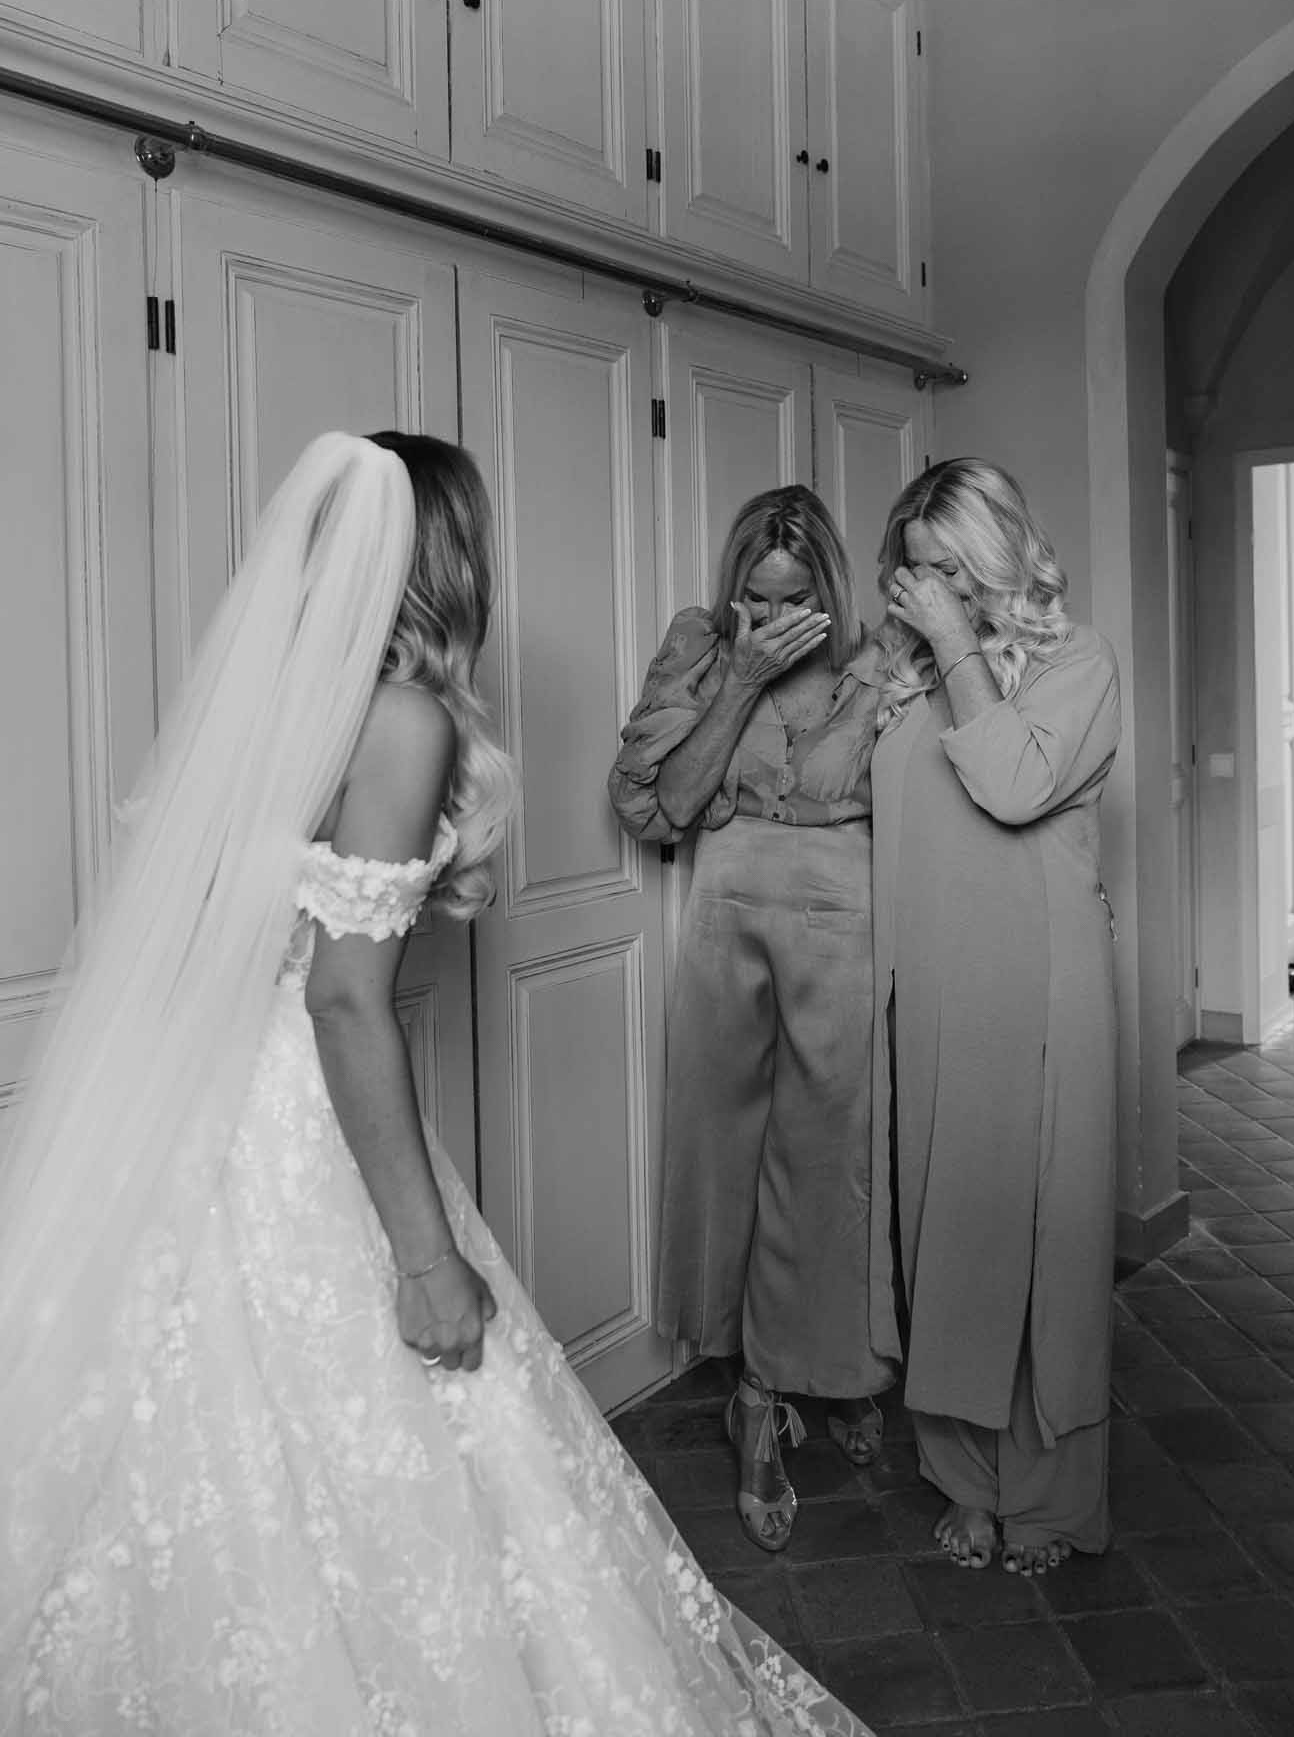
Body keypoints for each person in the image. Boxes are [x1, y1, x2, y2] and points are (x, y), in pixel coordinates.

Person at [0, 431, 877, 1736]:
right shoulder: (400, 716)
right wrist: (422, 1255)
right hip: (302, 1107)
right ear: (446, 557)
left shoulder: (282, 695)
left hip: (194, 1109)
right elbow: (345, 998)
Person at [608, 486, 899, 1556]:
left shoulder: (883, 662)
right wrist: (740, 678)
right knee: (724, 1155)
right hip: (726, 915)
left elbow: (914, 809)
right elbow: (659, 806)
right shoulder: (703, 648)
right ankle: (755, 1397)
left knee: (828, 1163)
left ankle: (822, 1365)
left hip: (846, 922)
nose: (774, 613)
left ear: (829, 587)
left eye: (796, 597)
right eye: (755, 593)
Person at [869, 458, 1120, 1577]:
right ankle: (965, 1477)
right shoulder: (911, 675)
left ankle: (1052, 1498)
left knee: (1045, 1238)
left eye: (945, 570)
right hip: (932, 983)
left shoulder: (1079, 661)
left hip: (1043, 985)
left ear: (994, 561)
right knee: (950, 1229)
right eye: (912, 570)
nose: (924, 591)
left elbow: (1014, 784)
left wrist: (960, 654)